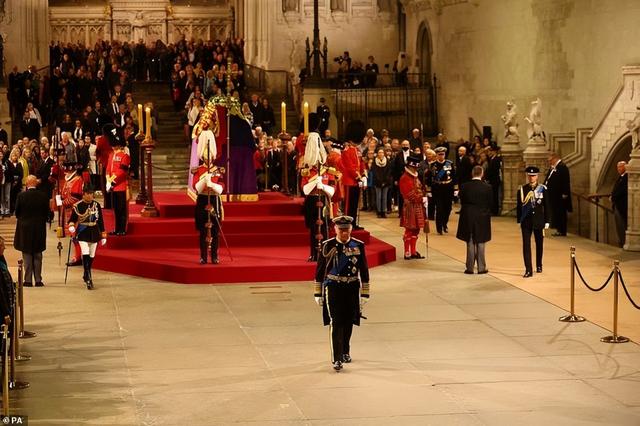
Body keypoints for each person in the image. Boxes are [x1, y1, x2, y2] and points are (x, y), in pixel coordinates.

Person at [314, 215, 370, 371]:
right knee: (336, 321)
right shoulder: (327, 245)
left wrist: (365, 293)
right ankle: (337, 358)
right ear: (335, 229)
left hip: (352, 287)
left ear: (351, 229)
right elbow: (319, 271)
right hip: (333, 287)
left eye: (347, 230)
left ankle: (345, 350)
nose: (344, 233)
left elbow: (364, 269)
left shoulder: (358, 245)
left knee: (348, 321)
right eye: (341, 230)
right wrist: (317, 293)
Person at [301, 132, 335, 261]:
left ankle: (325, 253)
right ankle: (314, 254)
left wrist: (324, 187)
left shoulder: (327, 170)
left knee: (325, 227)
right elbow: (304, 189)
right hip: (311, 200)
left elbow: (333, 189)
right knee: (313, 228)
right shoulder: (306, 172)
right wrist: (315, 182)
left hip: (324, 199)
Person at [68, 184, 106, 290]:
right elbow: (72, 219)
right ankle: (88, 276)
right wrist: (71, 226)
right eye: (87, 194)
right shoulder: (78, 206)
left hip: (94, 231)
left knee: (92, 254)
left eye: (91, 194)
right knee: (85, 252)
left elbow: (100, 220)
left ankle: (86, 273)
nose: (90, 196)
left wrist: (103, 234)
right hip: (82, 231)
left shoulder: (96, 205)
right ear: (83, 195)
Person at [13, 175, 50, 287]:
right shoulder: (43, 196)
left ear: (27, 184)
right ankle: (38, 280)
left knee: (27, 254)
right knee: (38, 253)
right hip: (39, 228)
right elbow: (47, 213)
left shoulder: (21, 196)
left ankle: (28, 280)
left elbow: (17, 212)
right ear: (36, 183)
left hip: (25, 228)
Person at [193, 138, 224, 264]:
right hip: (203, 199)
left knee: (215, 230)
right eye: (206, 157)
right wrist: (204, 180)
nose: (208, 159)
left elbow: (221, 187)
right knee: (203, 230)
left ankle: (215, 256)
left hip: (214, 199)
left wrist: (211, 183)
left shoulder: (217, 170)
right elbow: (197, 187)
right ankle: (203, 256)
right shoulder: (199, 169)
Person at [457, 166, 492, 274]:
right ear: (482, 174)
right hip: (482, 216)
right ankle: (481, 268)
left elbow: (461, 200)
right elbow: (491, 203)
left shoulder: (464, 186)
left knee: (470, 240)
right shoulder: (487, 187)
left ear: (472, 174)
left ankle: (470, 268)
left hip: (468, 215)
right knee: (481, 241)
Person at [517, 166, 550, 278]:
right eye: (530, 176)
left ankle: (539, 264)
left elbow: (547, 206)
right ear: (527, 176)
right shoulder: (522, 189)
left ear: (537, 176)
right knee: (526, 245)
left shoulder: (542, 189)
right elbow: (519, 207)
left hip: (539, 221)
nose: (532, 178)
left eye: (534, 176)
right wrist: (518, 220)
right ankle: (528, 269)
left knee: (539, 244)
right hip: (526, 221)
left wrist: (547, 221)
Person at [399, 155, 428, 259]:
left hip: (418, 206)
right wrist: (421, 198)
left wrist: (424, 196)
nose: (416, 169)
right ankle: (407, 252)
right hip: (410, 206)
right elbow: (410, 194)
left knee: (416, 230)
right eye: (414, 167)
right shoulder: (405, 178)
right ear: (410, 166)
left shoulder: (415, 177)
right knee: (409, 229)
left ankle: (413, 251)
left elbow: (419, 189)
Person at [105, 124, 130, 236]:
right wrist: (107, 180)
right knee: (115, 210)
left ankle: (122, 229)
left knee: (121, 209)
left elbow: (122, 172)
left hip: (120, 186)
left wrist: (112, 181)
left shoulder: (125, 156)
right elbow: (108, 169)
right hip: (112, 187)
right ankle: (116, 228)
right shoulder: (111, 155)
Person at [341, 121, 366, 229]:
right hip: (349, 181)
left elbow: (361, 163)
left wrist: (364, 174)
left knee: (355, 204)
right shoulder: (346, 150)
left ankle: (353, 223)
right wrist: (358, 176)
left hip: (356, 182)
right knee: (348, 205)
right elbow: (349, 166)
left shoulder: (356, 150)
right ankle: (347, 223)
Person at [428, 146, 456, 234]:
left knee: (448, 208)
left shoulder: (449, 164)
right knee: (439, 209)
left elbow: (455, 176)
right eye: (439, 154)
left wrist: (456, 189)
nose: (441, 156)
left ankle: (444, 224)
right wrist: (428, 191)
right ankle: (439, 228)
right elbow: (429, 178)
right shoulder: (433, 165)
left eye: (443, 154)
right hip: (437, 189)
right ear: (436, 155)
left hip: (448, 188)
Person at [544, 152, 572, 236]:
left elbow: (565, 181)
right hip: (553, 195)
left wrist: (565, 193)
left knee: (561, 212)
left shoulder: (562, 167)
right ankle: (558, 229)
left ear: (555, 158)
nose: (549, 161)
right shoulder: (553, 167)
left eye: (550, 160)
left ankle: (562, 230)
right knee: (555, 212)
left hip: (560, 195)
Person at [610, 161, 628, 247]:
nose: (619, 169)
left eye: (620, 167)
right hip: (617, 204)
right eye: (618, 167)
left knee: (622, 224)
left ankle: (623, 242)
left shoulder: (627, 177)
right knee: (618, 225)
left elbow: (622, 190)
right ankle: (621, 241)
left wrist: (613, 197)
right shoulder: (620, 177)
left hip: (622, 205)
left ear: (625, 167)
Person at [371, 147, 392, 218]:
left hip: (386, 182)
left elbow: (389, 172)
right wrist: (380, 181)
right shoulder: (374, 162)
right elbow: (374, 172)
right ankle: (379, 212)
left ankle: (384, 211)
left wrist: (385, 181)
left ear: (384, 153)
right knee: (378, 197)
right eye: (379, 152)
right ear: (377, 154)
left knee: (384, 197)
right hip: (377, 182)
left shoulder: (388, 161)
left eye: (382, 152)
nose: (381, 154)